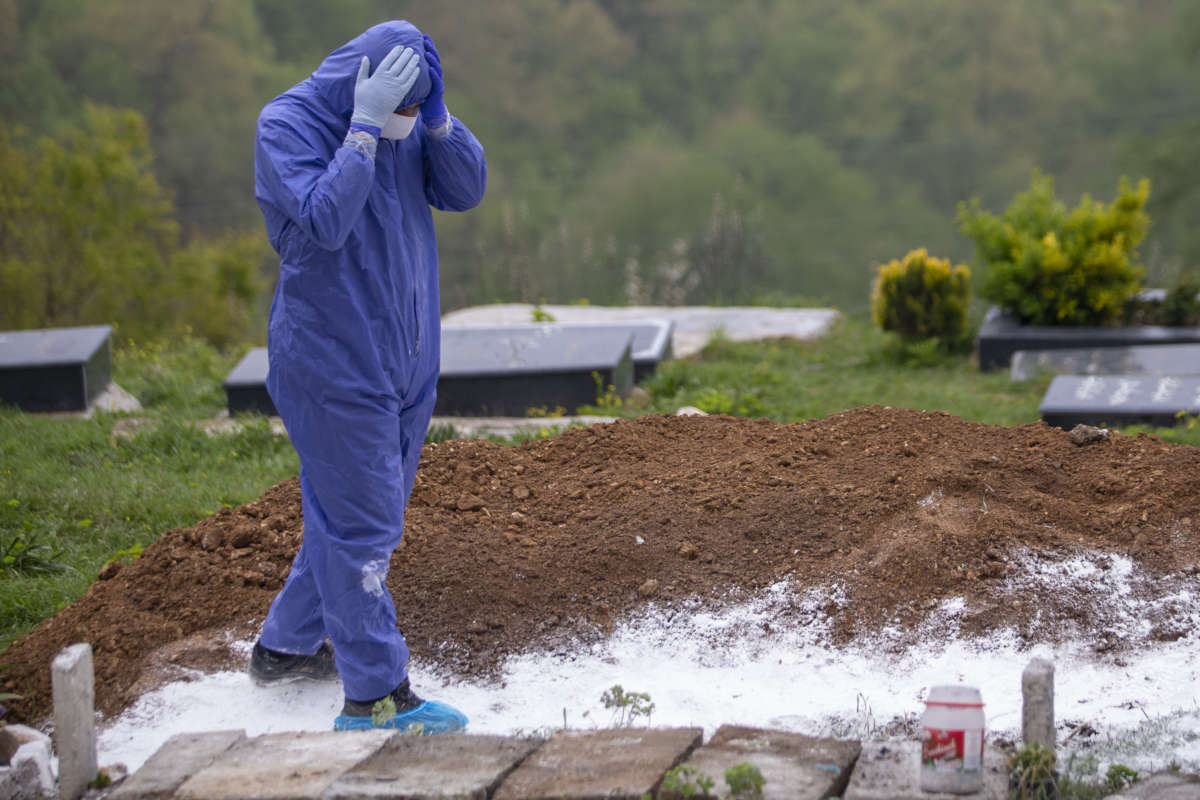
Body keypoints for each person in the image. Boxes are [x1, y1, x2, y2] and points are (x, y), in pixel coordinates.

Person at [247, 20, 486, 734]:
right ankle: (376, 696)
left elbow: (466, 190)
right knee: (361, 525)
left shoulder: (407, 124)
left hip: (407, 354)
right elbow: (324, 223)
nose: (407, 124)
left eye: (418, 108)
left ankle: (285, 648)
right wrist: (361, 130)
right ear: (364, 85)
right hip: (332, 358)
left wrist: (437, 119)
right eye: (404, 108)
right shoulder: (286, 124)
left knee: (354, 513)